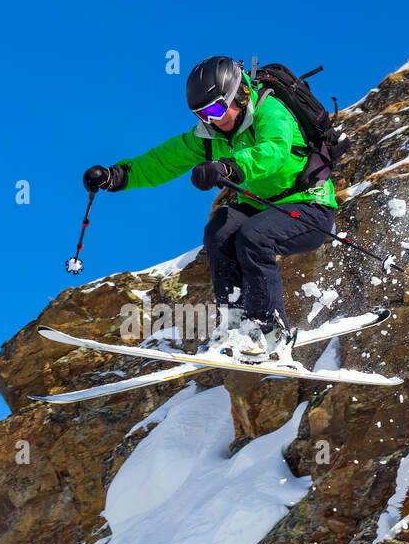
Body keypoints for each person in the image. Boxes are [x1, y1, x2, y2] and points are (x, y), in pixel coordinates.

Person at [83, 56, 338, 363]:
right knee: (219, 229)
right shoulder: (209, 136)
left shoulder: (271, 111)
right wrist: (117, 176)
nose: (212, 120)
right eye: (202, 114)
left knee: (254, 237)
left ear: (240, 95)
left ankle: (269, 331)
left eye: (216, 109)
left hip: (310, 207)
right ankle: (234, 325)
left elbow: (274, 152)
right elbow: (164, 160)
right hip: (263, 207)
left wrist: (229, 167)